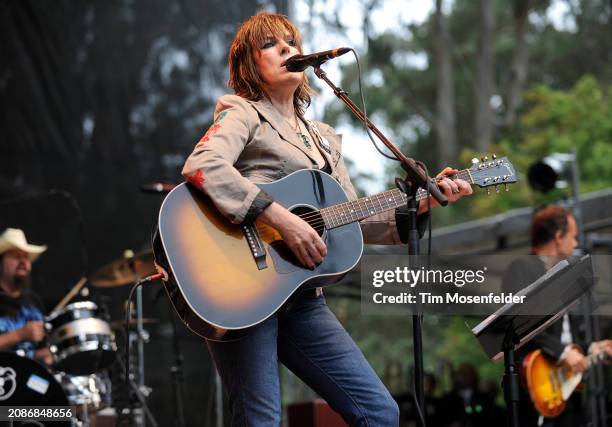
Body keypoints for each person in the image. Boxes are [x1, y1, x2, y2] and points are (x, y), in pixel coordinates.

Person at [180, 12, 472, 426]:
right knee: (261, 419)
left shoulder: (325, 137)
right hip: (244, 283)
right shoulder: (242, 112)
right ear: (249, 64)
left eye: (290, 41)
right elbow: (203, 165)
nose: (286, 48)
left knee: (380, 413)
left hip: (302, 299)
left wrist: (421, 204)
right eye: (270, 44)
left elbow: (352, 218)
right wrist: (281, 218)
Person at [502, 205, 612, 427]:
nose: (576, 244)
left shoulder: (567, 275)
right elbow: (519, 320)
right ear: (558, 237)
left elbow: (567, 334)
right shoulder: (522, 267)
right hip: (537, 382)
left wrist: (592, 348)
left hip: (567, 385)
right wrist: (562, 352)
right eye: (572, 237)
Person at [0, 227, 52, 365]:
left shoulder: (33, 302)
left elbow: (38, 351)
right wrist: (20, 335)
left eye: (26, 257)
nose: (23, 261)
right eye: (16, 256)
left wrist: (50, 355)